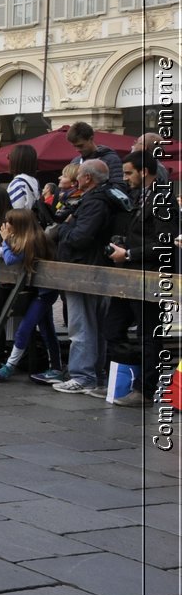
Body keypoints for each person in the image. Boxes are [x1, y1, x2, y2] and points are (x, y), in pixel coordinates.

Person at [50, 159, 128, 396]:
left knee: (81, 325)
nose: (76, 180)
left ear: (87, 178)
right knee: (94, 325)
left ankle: (82, 376)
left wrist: (62, 229)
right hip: (94, 268)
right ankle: (96, 375)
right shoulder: (105, 198)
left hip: (83, 269)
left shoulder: (95, 202)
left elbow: (80, 237)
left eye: (80, 176)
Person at [107, 149, 174, 407]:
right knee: (112, 327)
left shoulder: (162, 198)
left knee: (148, 333)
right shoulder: (139, 195)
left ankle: (144, 389)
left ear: (143, 171)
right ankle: (126, 378)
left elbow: (165, 243)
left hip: (150, 275)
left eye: (128, 173)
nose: (125, 178)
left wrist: (130, 252)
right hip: (130, 274)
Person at [0, 209, 64, 384]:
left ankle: (9, 367)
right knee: (46, 329)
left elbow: (10, 259)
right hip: (43, 290)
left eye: (8, 222)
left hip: (44, 292)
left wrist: (6, 239)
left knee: (25, 328)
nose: (5, 225)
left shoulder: (33, 240)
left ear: (18, 225)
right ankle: (56, 368)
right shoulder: (33, 237)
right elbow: (13, 252)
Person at [5, 144, 41, 211]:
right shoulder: (34, 181)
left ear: (15, 161)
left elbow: (16, 211)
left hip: (21, 220)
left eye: (10, 157)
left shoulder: (18, 183)